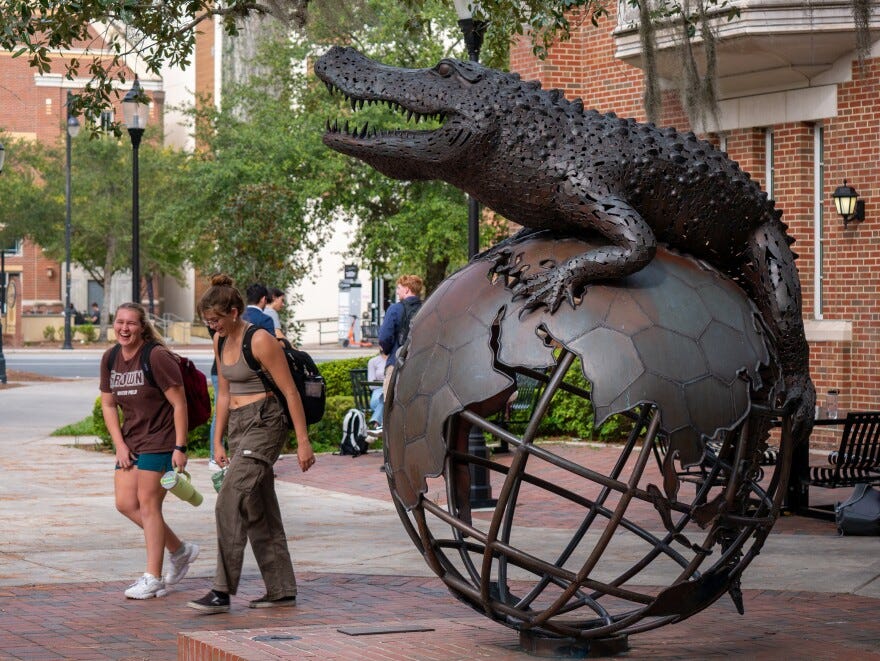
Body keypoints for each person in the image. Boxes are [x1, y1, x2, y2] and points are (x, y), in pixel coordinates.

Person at [188, 274, 315, 614]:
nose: (212, 326)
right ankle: (281, 589)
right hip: (239, 428)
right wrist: (216, 441)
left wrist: (303, 442)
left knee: (230, 499)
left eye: (215, 319)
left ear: (233, 312)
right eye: (207, 321)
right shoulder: (219, 340)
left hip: (266, 421)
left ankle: (221, 590)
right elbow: (224, 393)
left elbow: (289, 391)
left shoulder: (259, 340)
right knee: (259, 507)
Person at [99, 302, 200, 600]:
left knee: (148, 506)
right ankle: (180, 551)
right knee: (125, 503)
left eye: (131, 323)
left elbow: (179, 404)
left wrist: (180, 447)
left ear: (142, 326)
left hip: (161, 440)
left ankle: (153, 577)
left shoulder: (156, 357)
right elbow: (108, 404)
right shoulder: (111, 358)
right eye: (119, 322)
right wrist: (119, 443)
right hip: (131, 442)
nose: (124, 328)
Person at [378, 275, 424, 396]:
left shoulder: (395, 309)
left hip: (396, 363)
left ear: (407, 289)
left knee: (389, 406)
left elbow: (384, 337)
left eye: (399, 288)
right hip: (421, 366)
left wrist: (387, 351)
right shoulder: (426, 309)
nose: (397, 292)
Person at [366, 349, 387, 428]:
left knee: (387, 397)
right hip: (378, 391)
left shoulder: (395, 360)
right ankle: (379, 423)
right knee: (384, 398)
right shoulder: (373, 361)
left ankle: (376, 422)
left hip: (391, 390)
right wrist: (385, 382)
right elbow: (371, 385)